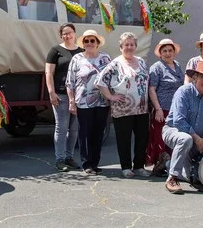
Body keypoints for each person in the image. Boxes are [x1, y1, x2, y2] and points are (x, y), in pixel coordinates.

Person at [97, 32, 151, 179]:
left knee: (142, 138)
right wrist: (110, 96)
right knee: (124, 139)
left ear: (136, 46)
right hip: (122, 109)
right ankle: (126, 167)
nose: (129, 47)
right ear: (121, 47)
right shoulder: (115, 63)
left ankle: (139, 166)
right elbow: (100, 81)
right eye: (126, 44)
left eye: (132, 44)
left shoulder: (141, 61)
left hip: (142, 108)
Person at [162, 61, 203, 194]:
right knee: (186, 139)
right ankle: (172, 178)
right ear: (194, 78)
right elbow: (178, 121)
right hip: (173, 131)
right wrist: (197, 139)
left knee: (192, 177)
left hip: (197, 138)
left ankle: (167, 163)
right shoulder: (183, 92)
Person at [66, 30, 112, 175]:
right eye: (86, 41)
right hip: (83, 102)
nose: (89, 43)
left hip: (102, 102)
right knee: (85, 133)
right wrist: (72, 102)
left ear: (97, 43)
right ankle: (87, 164)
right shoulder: (77, 59)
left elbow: (112, 79)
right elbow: (70, 82)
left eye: (92, 41)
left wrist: (112, 97)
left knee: (98, 133)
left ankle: (95, 163)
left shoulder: (105, 58)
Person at [45, 23, 84, 171]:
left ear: (75, 33)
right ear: (61, 35)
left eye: (70, 32)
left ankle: (69, 157)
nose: (67, 35)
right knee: (61, 127)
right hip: (61, 94)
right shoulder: (55, 51)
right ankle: (59, 159)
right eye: (64, 33)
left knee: (74, 128)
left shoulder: (81, 51)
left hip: (78, 95)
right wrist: (51, 92)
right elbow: (49, 73)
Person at [147, 38, 184, 175]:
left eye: (170, 50)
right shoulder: (156, 67)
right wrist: (158, 109)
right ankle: (159, 164)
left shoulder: (178, 65)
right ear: (160, 53)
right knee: (160, 137)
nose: (167, 53)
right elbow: (151, 89)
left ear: (174, 52)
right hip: (162, 108)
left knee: (173, 137)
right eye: (164, 51)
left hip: (176, 109)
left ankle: (170, 164)